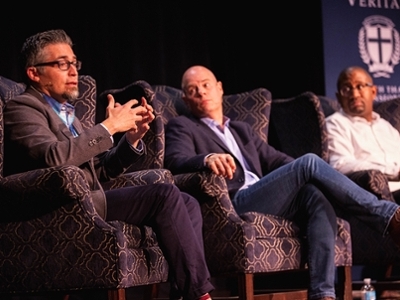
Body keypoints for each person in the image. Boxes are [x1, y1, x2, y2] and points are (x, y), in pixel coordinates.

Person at [3, 30, 213, 300]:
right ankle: (199, 295)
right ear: (34, 73)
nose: (73, 71)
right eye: (62, 63)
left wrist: (130, 139)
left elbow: (98, 170)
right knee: (164, 194)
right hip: (59, 207)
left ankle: (184, 293)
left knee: (188, 202)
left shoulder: (68, 114)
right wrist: (109, 127)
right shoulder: (22, 108)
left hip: (89, 198)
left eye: (74, 63)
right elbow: (53, 159)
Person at [164, 65, 400, 300]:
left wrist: (312, 173)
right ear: (185, 98)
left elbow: (277, 160)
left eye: (206, 85)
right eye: (193, 90)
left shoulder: (241, 130)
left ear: (219, 88)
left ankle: (323, 294)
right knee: (309, 163)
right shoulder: (183, 126)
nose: (201, 92)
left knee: (314, 195)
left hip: (264, 196)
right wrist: (207, 158)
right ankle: (389, 216)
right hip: (233, 201)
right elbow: (175, 160)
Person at [326, 66, 400, 202]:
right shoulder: (335, 123)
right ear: (338, 97)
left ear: (373, 91)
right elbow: (340, 165)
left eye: (360, 86)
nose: (354, 95)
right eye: (346, 89)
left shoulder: (387, 127)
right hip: (379, 196)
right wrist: (393, 171)